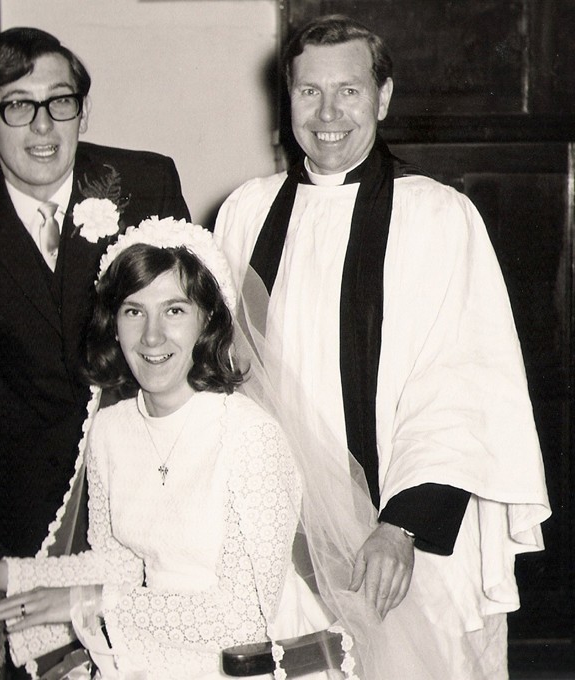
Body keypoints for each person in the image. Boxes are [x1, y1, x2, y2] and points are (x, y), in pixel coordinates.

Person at [214, 13, 551, 679]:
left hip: (403, 540)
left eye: (349, 91)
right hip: (279, 535)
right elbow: (224, 375)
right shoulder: (246, 212)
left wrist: (398, 529)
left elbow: (461, 386)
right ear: (287, 101)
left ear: (384, 97)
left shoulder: (436, 216)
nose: (328, 112)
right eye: (309, 92)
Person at [0, 217, 345, 680]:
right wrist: (5, 576)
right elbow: (116, 564)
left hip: (249, 662)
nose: (152, 336)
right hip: (150, 646)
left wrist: (89, 604)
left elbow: (243, 617)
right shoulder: (110, 431)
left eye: (174, 310)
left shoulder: (250, 437)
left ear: (208, 320)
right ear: (113, 326)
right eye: (134, 311)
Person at [0, 27, 190, 557]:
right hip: (28, 478)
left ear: (83, 112)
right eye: (17, 106)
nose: (43, 126)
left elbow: (191, 334)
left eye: (60, 102)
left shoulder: (147, 183)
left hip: (155, 460)